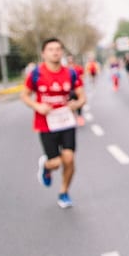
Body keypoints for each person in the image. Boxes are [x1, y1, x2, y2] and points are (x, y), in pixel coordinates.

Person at [21, 37, 87, 209]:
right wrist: (37, 106)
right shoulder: (36, 74)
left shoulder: (71, 73)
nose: (55, 52)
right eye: (51, 49)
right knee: (56, 163)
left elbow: (82, 97)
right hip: (46, 123)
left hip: (66, 121)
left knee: (69, 159)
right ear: (43, 53)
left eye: (58, 49)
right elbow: (24, 95)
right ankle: (46, 166)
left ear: (62, 52)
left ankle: (64, 192)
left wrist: (77, 104)